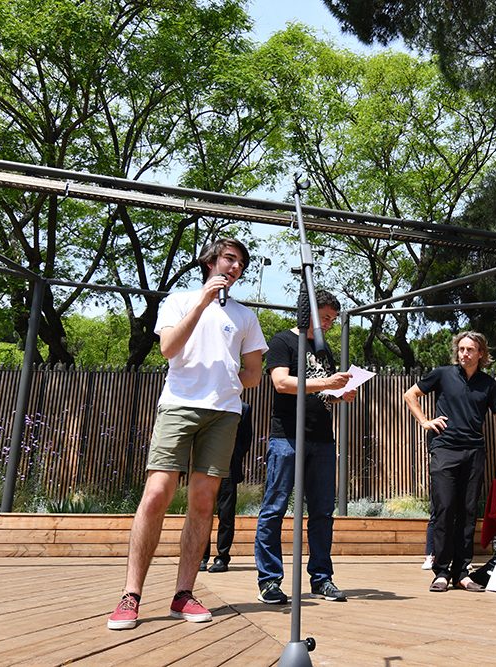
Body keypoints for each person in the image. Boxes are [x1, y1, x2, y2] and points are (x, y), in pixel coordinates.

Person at [107, 238, 268, 630]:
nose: (236, 267)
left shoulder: (245, 316)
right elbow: (168, 348)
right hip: (178, 405)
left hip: (224, 413)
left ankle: (184, 594)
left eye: (241, 263)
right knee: (156, 494)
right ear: (210, 261)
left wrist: (231, 377)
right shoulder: (179, 301)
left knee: (203, 500)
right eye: (230, 259)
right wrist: (202, 303)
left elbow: (253, 375)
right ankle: (131, 595)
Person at [403, 331, 496, 593]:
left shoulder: (488, 384)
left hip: (474, 452)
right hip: (444, 449)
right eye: (461, 349)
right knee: (444, 508)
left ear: (480, 353)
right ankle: (441, 572)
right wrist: (425, 421)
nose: (464, 353)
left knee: (467, 512)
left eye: (470, 349)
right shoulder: (443, 374)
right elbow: (410, 395)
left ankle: (462, 573)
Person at [253, 289, 356, 604]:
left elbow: (319, 391)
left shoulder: (323, 350)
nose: (329, 324)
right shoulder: (283, 340)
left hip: (322, 439)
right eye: (325, 317)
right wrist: (327, 383)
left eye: (333, 320)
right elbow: (281, 383)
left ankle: (322, 579)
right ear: (308, 312)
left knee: (323, 512)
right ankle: (270, 581)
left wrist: (339, 394)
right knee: (274, 508)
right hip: (287, 437)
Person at [200, 401, 253, 574]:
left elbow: (246, 439)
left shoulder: (243, 408)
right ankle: (201, 556)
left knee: (226, 513)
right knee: (202, 511)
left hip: (229, 466)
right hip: (206, 464)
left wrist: (234, 456)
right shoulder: (208, 403)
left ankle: (222, 558)